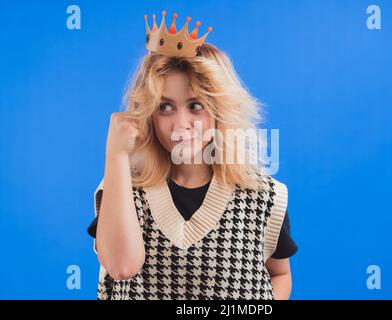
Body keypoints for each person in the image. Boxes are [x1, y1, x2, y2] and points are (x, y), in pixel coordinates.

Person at [87, 10, 298, 300]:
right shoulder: (121, 190)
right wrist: (115, 154)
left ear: (219, 111)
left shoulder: (263, 197)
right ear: (147, 114)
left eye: (195, 106)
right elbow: (122, 267)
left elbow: (279, 274)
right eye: (165, 107)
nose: (180, 123)